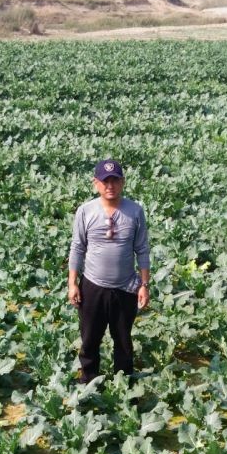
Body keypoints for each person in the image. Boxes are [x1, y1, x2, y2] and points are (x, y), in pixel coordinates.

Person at [68, 159, 151, 384]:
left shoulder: (135, 211)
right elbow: (77, 247)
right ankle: (88, 379)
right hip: (93, 286)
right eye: (105, 181)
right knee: (90, 339)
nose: (110, 186)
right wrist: (72, 283)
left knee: (123, 340)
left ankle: (124, 384)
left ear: (122, 182)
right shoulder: (85, 211)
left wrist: (144, 285)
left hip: (125, 287)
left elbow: (142, 249)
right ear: (96, 183)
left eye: (115, 180)